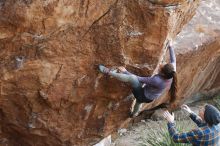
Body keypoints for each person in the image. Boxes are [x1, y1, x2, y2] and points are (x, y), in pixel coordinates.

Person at [98, 41, 177, 117]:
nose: (161, 64)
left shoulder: (157, 81)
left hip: (142, 95)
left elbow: (138, 79)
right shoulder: (172, 71)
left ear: (162, 73)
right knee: (139, 102)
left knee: (132, 79)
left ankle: (108, 72)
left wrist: (125, 71)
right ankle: (134, 114)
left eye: (161, 66)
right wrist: (170, 46)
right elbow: (173, 60)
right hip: (149, 98)